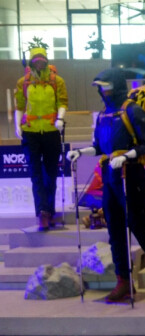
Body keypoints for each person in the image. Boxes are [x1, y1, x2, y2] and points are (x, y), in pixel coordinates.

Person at [66, 68, 145, 302]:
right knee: (115, 229)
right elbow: (99, 146)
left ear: (116, 87)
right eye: (100, 88)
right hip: (110, 176)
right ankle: (123, 280)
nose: (102, 91)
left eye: (105, 87)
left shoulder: (133, 111)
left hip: (131, 175)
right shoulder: (104, 115)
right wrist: (81, 152)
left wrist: (126, 156)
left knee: (141, 227)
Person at [14, 47, 68, 231]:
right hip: (30, 132)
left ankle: (49, 211)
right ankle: (42, 213)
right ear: (31, 62)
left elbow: (63, 102)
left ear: (46, 61)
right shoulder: (23, 82)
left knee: (50, 173)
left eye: (42, 60)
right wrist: (17, 126)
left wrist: (60, 118)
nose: (39, 63)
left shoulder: (57, 81)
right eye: (36, 61)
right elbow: (20, 106)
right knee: (36, 174)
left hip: (51, 131)